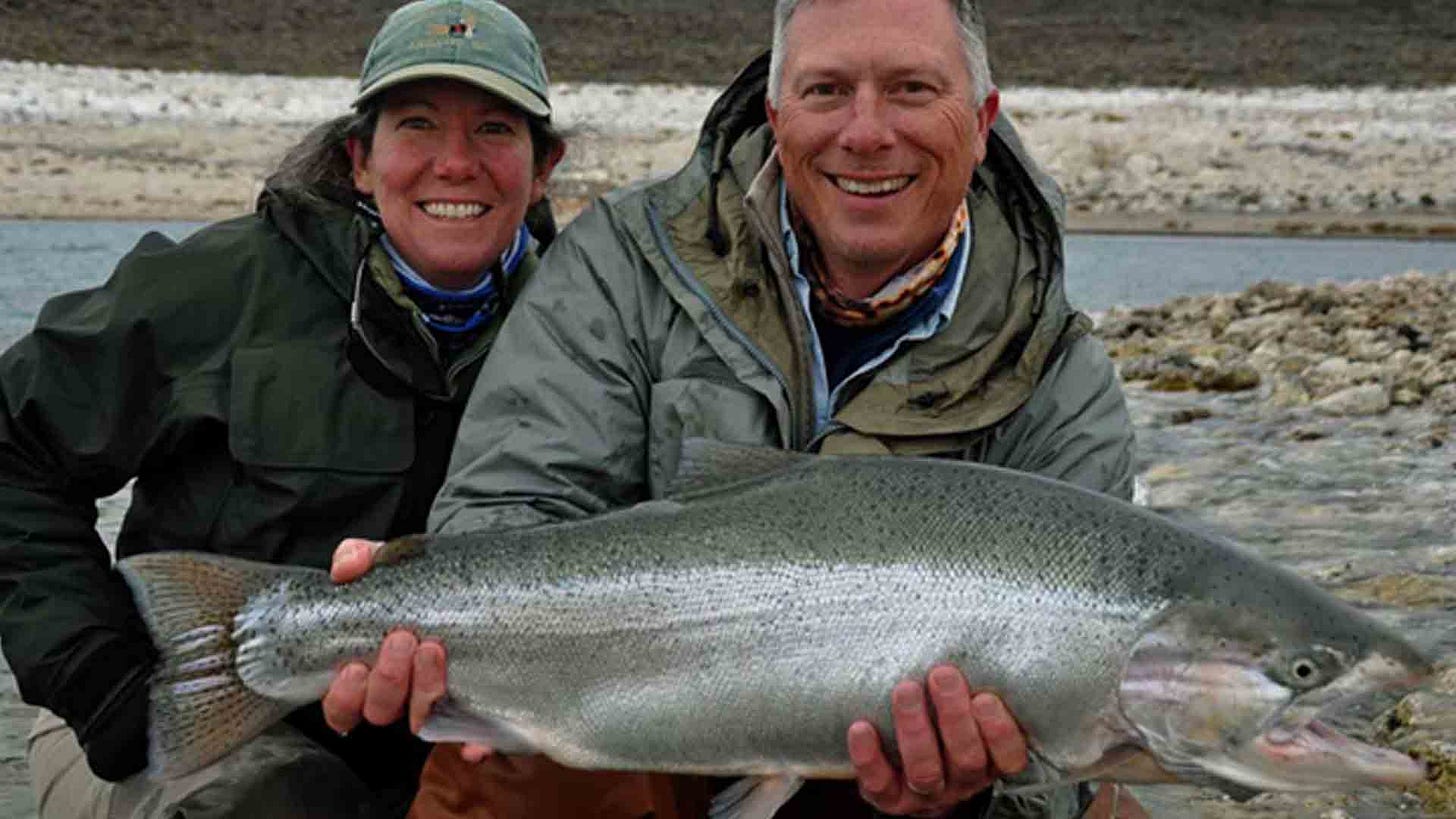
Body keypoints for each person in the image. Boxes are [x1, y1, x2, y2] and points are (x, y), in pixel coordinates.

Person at [327, 0, 1140, 816]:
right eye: (826, 92)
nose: (865, 132)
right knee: (513, 771)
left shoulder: (1058, 376)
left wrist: (964, 795)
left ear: (981, 119)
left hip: (893, 793)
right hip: (635, 729)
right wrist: (426, 615)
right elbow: (506, 510)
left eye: (911, 90)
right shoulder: (627, 260)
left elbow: (1073, 762)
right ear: (776, 114)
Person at [0, 0, 563, 816]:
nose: (454, 163)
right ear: (359, 159)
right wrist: (104, 676)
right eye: (416, 126)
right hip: (168, 717)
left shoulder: (590, 332)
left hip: (452, 735)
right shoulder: (218, 288)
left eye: (494, 131)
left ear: (543, 166)